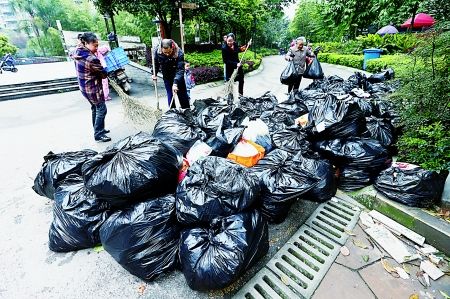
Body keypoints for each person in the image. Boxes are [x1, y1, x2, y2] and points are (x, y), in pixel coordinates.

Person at [73, 32, 111, 142]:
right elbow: (103, 74)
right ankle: (98, 133)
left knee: (95, 108)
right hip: (92, 88)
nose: (96, 48)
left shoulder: (78, 51)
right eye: (95, 45)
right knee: (101, 109)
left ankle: (98, 129)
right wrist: (105, 71)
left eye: (97, 45)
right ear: (86, 43)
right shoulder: (91, 58)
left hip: (84, 87)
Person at [152, 39, 190, 109]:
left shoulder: (179, 53)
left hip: (177, 74)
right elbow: (155, 63)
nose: (167, 54)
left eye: (169, 52)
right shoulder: (157, 51)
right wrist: (154, 73)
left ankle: (186, 110)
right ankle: (172, 112)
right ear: (161, 48)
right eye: (165, 52)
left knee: (182, 95)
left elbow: (180, 70)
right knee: (170, 94)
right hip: (166, 75)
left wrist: (175, 83)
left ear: (172, 47)